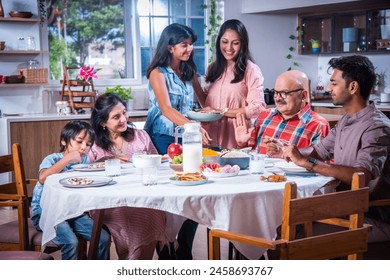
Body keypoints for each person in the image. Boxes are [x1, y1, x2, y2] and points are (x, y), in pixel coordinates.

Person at [282, 55, 390, 242]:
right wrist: (291, 150)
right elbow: (318, 151)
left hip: (370, 217)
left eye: (333, 83)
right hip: (343, 208)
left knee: (293, 238)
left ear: (353, 87)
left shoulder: (376, 127)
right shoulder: (346, 120)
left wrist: (309, 164)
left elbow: (360, 176)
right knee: (281, 225)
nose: (328, 88)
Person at [88, 93, 167, 259]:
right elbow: (90, 174)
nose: (123, 119)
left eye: (124, 112)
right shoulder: (97, 146)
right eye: (116, 116)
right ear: (103, 122)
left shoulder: (141, 136)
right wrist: (108, 159)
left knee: (149, 211)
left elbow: (156, 164)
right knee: (128, 213)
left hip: (144, 195)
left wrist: (163, 160)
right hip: (111, 200)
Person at [30, 120, 111, 260]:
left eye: (88, 144)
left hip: (72, 211)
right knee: (71, 242)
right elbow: (42, 178)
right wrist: (67, 159)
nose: (83, 147)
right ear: (64, 141)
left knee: (103, 238)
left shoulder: (84, 162)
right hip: (46, 212)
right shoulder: (52, 159)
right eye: (79, 141)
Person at [196, 19, 266, 149]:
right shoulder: (212, 68)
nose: (229, 48)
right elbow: (207, 104)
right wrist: (194, 82)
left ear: (243, 44)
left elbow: (258, 108)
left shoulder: (251, 70)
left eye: (235, 43)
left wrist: (221, 111)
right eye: (225, 42)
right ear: (219, 42)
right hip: (210, 136)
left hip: (236, 138)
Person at [144, 23, 211, 155]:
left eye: (191, 44)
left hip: (186, 136)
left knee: (190, 171)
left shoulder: (190, 72)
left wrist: (209, 112)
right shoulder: (158, 74)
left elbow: (203, 99)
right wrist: (194, 128)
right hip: (162, 137)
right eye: (184, 45)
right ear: (170, 48)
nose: (190, 48)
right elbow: (166, 109)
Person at [233, 70, 330, 157]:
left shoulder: (319, 125)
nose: (278, 98)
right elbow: (251, 155)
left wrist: (285, 153)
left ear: (303, 95)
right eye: (275, 92)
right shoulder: (264, 116)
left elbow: (319, 164)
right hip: (260, 176)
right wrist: (242, 144)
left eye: (285, 93)